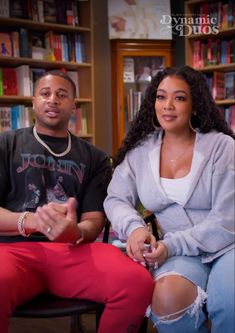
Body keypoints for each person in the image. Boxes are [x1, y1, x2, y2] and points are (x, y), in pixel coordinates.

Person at [0, 70, 154, 333]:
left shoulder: (95, 157)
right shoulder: (7, 143)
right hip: (13, 251)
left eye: (62, 95)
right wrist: (32, 221)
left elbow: (93, 220)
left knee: (137, 282)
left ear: (74, 105)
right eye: (45, 94)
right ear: (33, 101)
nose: (53, 100)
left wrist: (76, 231)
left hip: (73, 251)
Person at [104, 65, 235, 333]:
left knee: (229, 301)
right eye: (161, 97)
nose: (168, 106)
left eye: (179, 98)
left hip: (228, 246)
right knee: (167, 298)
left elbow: (227, 220)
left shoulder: (222, 146)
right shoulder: (140, 151)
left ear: (195, 105)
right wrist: (136, 228)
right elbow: (115, 197)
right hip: (178, 253)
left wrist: (170, 245)